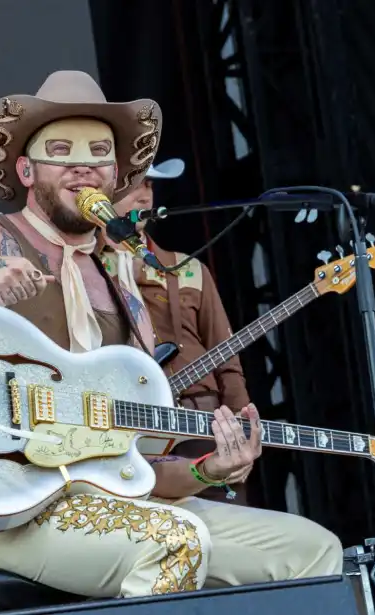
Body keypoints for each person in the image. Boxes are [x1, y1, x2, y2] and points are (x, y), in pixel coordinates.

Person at [0, 70, 342, 599]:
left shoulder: (126, 285)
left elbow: (135, 465)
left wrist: (207, 470)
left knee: (311, 549)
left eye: (97, 156)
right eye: (61, 151)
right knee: (176, 541)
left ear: (116, 175)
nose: (82, 169)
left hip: (103, 506)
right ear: (24, 168)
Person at [104, 159, 252, 505]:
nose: (144, 196)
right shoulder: (83, 269)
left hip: (203, 421)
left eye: (150, 185)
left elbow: (228, 363)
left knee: (230, 531)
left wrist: (242, 434)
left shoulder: (189, 269)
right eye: (134, 185)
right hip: (132, 425)